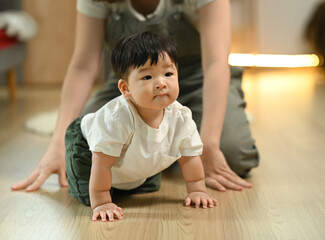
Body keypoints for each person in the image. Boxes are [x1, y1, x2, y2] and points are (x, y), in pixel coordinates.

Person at [11, 0, 259, 193]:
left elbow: (216, 62)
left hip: (198, 76)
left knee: (232, 153)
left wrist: (209, 145)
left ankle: (173, 148)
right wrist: (57, 145)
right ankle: (165, 149)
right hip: (134, 83)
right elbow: (83, 66)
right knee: (86, 145)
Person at [65, 32, 218, 221]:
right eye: (147, 77)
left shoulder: (181, 116)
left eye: (168, 74)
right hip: (88, 150)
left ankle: (120, 181)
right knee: (88, 194)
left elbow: (189, 157)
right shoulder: (117, 118)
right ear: (125, 89)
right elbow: (102, 163)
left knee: (147, 185)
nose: (161, 83)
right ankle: (78, 175)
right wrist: (102, 202)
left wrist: (197, 190)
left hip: (125, 158)